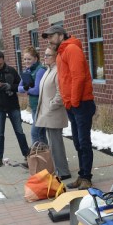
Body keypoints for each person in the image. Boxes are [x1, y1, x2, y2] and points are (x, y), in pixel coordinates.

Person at [42, 25, 96, 189]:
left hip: (81, 103)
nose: (49, 41)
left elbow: (78, 77)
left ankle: (86, 177)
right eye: (48, 38)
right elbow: (64, 79)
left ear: (60, 35)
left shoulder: (72, 48)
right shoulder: (61, 53)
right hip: (72, 104)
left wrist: (73, 101)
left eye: (51, 37)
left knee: (84, 142)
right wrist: (69, 102)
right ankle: (82, 175)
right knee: (78, 143)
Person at [0, 51, 29, 167]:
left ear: (4, 61)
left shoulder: (11, 70)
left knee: (19, 131)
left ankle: (27, 155)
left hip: (12, 105)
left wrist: (10, 86)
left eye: (0, 64)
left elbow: (21, 85)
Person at [34, 47, 71, 180]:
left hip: (53, 113)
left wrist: (51, 106)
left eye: (48, 55)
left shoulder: (57, 71)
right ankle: (58, 169)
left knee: (56, 144)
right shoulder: (48, 71)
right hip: (47, 113)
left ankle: (63, 171)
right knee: (53, 144)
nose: (45, 57)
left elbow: (61, 93)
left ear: (56, 56)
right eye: (44, 55)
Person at [17, 47, 47, 146]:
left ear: (36, 59)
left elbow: (37, 90)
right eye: (25, 59)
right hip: (34, 106)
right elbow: (19, 88)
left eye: (29, 59)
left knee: (35, 133)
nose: (26, 61)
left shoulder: (40, 70)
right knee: (41, 133)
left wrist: (26, 89)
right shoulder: (27, 71)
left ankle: (36, 157)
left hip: (41, 106)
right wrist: (26, 88)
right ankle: (46, 157)